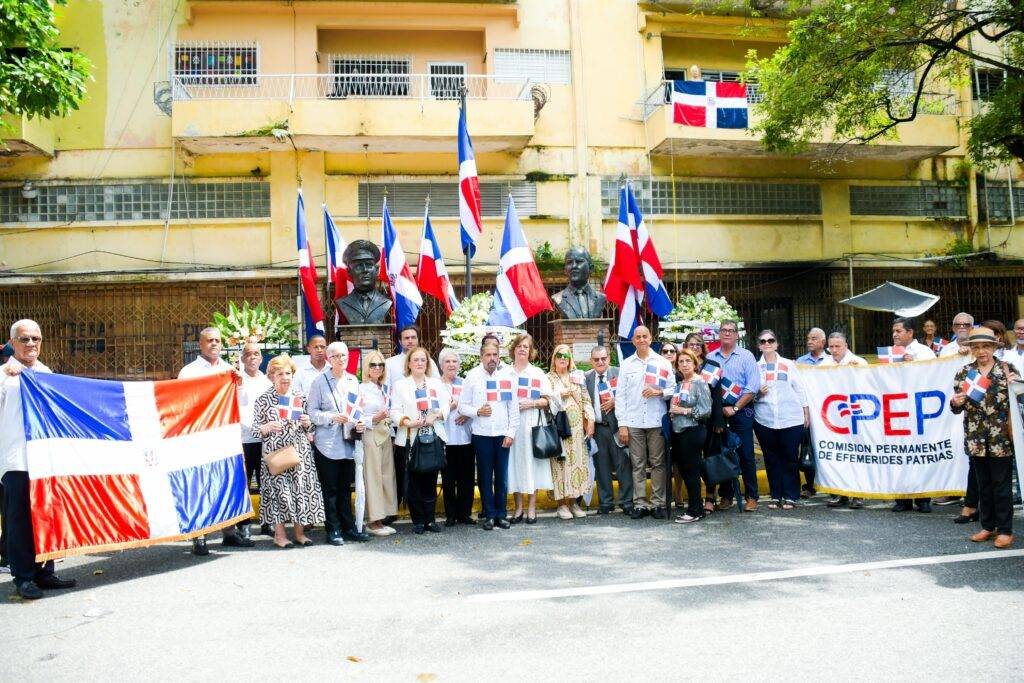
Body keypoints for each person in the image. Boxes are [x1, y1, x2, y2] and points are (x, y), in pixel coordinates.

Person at [1, 320, 77, 600]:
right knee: (20, 521)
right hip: (17, 461)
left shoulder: (47, 374)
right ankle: (23, 577)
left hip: (46, 460)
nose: (31, 344)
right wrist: (7, 376)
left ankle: (45, 571)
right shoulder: (4, 376)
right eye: (24, 339)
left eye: (36, 338)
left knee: (46, 515)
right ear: (12, 343)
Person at [179, 327, 253, 554]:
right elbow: (181, 403)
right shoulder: (189, 372)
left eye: (217, 341)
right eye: (209, 340)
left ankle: (229, 532)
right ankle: (199, 536)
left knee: (225, 482)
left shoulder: (229, 370)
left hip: (224, 436)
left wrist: (241, 384)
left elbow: (242, 403)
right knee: (200, 486)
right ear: (200, 344)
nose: (214, 344)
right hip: (199, 437)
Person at [251, 354, 326, 548]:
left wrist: (308, 423)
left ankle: (299, 534)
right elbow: (255, 429)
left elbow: (311, 428)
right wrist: (266, 427)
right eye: (279, 374)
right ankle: (280, 536)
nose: (284, 377)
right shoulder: (263, 399)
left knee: (300, 490)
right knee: (279, 493)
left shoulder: (300, 397)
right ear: (271, 376)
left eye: (287, 373)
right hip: (275, 453)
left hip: (299, 450)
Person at [950, 327, 1015, 549]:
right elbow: (957, 406)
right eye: (976, 347)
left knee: (1001, 486)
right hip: (976, 438)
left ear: (994, 347)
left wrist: (1017, 385)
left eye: (985, 346)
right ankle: (988, 526)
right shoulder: (965, 372)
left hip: (1001, 439)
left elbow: (1020, 401)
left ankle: (1005, 530)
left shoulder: (1006, 369)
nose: (981, 351)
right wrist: (955, 403)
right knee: (983, 486)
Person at [307, 342, 377, 545]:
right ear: (328, 359)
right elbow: (311, 413)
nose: (341, 359)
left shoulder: (353, 380)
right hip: (327, 444)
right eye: (336, 356)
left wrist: (360, 422)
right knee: (330, 490)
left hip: (348, 442)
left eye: (344, 355)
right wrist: (331, 417)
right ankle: (333, 529)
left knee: (346, 488)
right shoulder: (319, 382)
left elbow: (357, 409)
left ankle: (349, 527)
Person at [616, 326, 676, 519]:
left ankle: (658, 503)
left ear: (651, 339)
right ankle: (640, 503)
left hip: (656, 421)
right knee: (638, 464)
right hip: (634, 422)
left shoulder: (662, 362)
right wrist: (622, 424)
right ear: (633, 341)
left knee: (658, 463)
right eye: (638, 337)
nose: (642, 340)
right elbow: (620, 396)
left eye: (645, 336)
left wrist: (659, 392)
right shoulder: (626, 364)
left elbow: (674, 389)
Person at [459, 342, 519, 530]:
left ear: (499, 357)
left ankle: (501, 514)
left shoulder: (507, 376)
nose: (492, 358)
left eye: (495, 355)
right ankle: (490, 515)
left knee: (502, 477)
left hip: (502, 434)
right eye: (488, 355)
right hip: (482, 434)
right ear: (481, 357)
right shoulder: (472, 376)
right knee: (485, 477)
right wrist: (477, 411)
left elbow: (513, 408)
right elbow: (462, 406)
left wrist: (511, 433)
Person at [391, 347, 450, 534]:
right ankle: (418, 521)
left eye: (423, 360)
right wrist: (408, 422)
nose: (419, 363)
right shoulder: (400, 385)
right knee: (413, 482)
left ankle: (430, 520)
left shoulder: (436, 384)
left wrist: (436, 415)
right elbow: (394, 411)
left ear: (427, 363)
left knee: (430, 481)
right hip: (409, 438)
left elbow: (446, 406)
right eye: (415, 360)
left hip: (432, 437)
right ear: (409, 363)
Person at [707, 320, 761, 511]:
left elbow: (753, 387)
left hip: (741, 410)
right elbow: (707, 386)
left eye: (731, 330)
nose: (728, 333)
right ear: (719, 334)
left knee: (745, 454)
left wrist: (735, 408)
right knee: (722, 453)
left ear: (737, 335)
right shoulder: (710, 357)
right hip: (719, 412)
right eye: (724, 330)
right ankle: (726, 496)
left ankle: (752, 496)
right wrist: (719, 410)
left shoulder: (746, 356)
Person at [753, 330, 809, 510]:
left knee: (789, 457)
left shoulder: (788, 364)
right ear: (759, 346)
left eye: (771, 340)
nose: (767, 343)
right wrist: (757, 393)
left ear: (777, 344)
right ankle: (776, 495)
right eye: (763, 341)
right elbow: (749, 393)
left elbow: (800, 389)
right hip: (765, 419)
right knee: (771, 459)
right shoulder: (755, 367)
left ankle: (791, 496)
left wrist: (806, 412)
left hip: (790, 418)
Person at [506, 333, 554, 524]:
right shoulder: (504, 373)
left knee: (531, 465)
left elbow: (548, 400)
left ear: (531, 350)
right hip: (511, 427)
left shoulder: (537, 373)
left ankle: (532, 508)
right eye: (519, 346)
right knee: (514, 466)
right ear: (513, 350)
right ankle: (518, 508)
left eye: (526, 346)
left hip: (532, 424)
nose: (522, 349)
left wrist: (531, 403)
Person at [890, 318, 936, 513]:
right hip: (897, 410)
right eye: (893, 331)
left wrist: (914, 365)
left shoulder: (924, 352)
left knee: (919, 453)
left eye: (899, 331)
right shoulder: (890, 352)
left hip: (918, 410)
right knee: (899, 453)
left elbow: (935, 376)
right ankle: (902, 498)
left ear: (910, 332)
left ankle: (923, 498)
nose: (895, 334)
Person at [547, 343, 595, 520]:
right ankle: (561, 504)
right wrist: (560, 394)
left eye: (566, 356)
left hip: (576, 430)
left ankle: (574, 502)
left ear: (570, 359)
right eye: (559, 355)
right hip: (559, 429)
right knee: (560, 464)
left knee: (577, 463)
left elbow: (586, 400)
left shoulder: (577, 376)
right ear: (554, 358)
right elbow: (546, 401)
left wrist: (590, 420)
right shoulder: (548, 378)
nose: (562, 359)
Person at [585, 345, 633, 515]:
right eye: (596, 359)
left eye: (603, 358)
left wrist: (615, 401)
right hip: (597, 430)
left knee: (623, 465)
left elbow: (631, 396)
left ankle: (627, 502)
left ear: (609, 359)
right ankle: (606, 503)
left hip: (617, 427)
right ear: (591, 361)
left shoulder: (619, 374)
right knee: (601, 466)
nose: (600, 362)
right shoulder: (586, 378)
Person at [668, 349, 712, 523]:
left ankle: (694, 511)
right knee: (685, 471)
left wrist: (683, 411)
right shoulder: (680, 383)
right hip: (679, 432)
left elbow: (706, 410)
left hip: (693, 431)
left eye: (688, 361)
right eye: (681, 361)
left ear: (695, 364)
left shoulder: (699, 382)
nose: (684, 364)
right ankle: (696, 508)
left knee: (692, 471)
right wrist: (674, 412)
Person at [684, 332, 725, 514]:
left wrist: (718, 420)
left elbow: (717, 395)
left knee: (710, 459)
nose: (695, 347)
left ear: (703, 347)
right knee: (692, 461)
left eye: (698, 344)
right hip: (689, 420)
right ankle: (695, 499)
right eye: (691, 344)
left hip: (709, 421)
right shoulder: (684, 364)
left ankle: (710, 497)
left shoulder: (712, 366)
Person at [358, 350, 397, 537]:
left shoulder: (386, 388)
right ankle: (373, 521)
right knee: (372, 477)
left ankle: (383, 517)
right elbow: (355, 416)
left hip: (386, 433)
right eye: (373, 364)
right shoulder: (360, 388)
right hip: (370, 433)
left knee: (387, 476)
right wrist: (374, 418)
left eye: (380, 364)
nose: (377, 368)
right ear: (366, 367)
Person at [238, 342, 272, 539]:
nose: (252, 357)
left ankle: (267, 522)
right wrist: (254, 427)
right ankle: (243, 526)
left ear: (261, 358)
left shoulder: (267, 381)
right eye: (248, 354)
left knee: (265, 482)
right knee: (244, 484)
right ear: (243, 358)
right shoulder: (237, 380)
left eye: (256, 354)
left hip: (265, 440)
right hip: (243, 439)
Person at [439, 348, 475, 526]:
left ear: (459, 365)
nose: (451, 364)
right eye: (447, 361)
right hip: (446, 439)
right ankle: (451, 515)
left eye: (454, 361)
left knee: (466, 478)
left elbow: (475, 405)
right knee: (448, 479)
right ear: (441, 365)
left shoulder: (466, 383)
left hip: (466, 437)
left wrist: (468, 414)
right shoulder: (436, 385)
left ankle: (465, 513)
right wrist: (451, 407)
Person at [552, 246, 607, 319]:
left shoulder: (600, 297)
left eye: (579, 262)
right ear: (565, 270)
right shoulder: (558, 298)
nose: (574, 266)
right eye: (569, 262)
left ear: (591, 268)